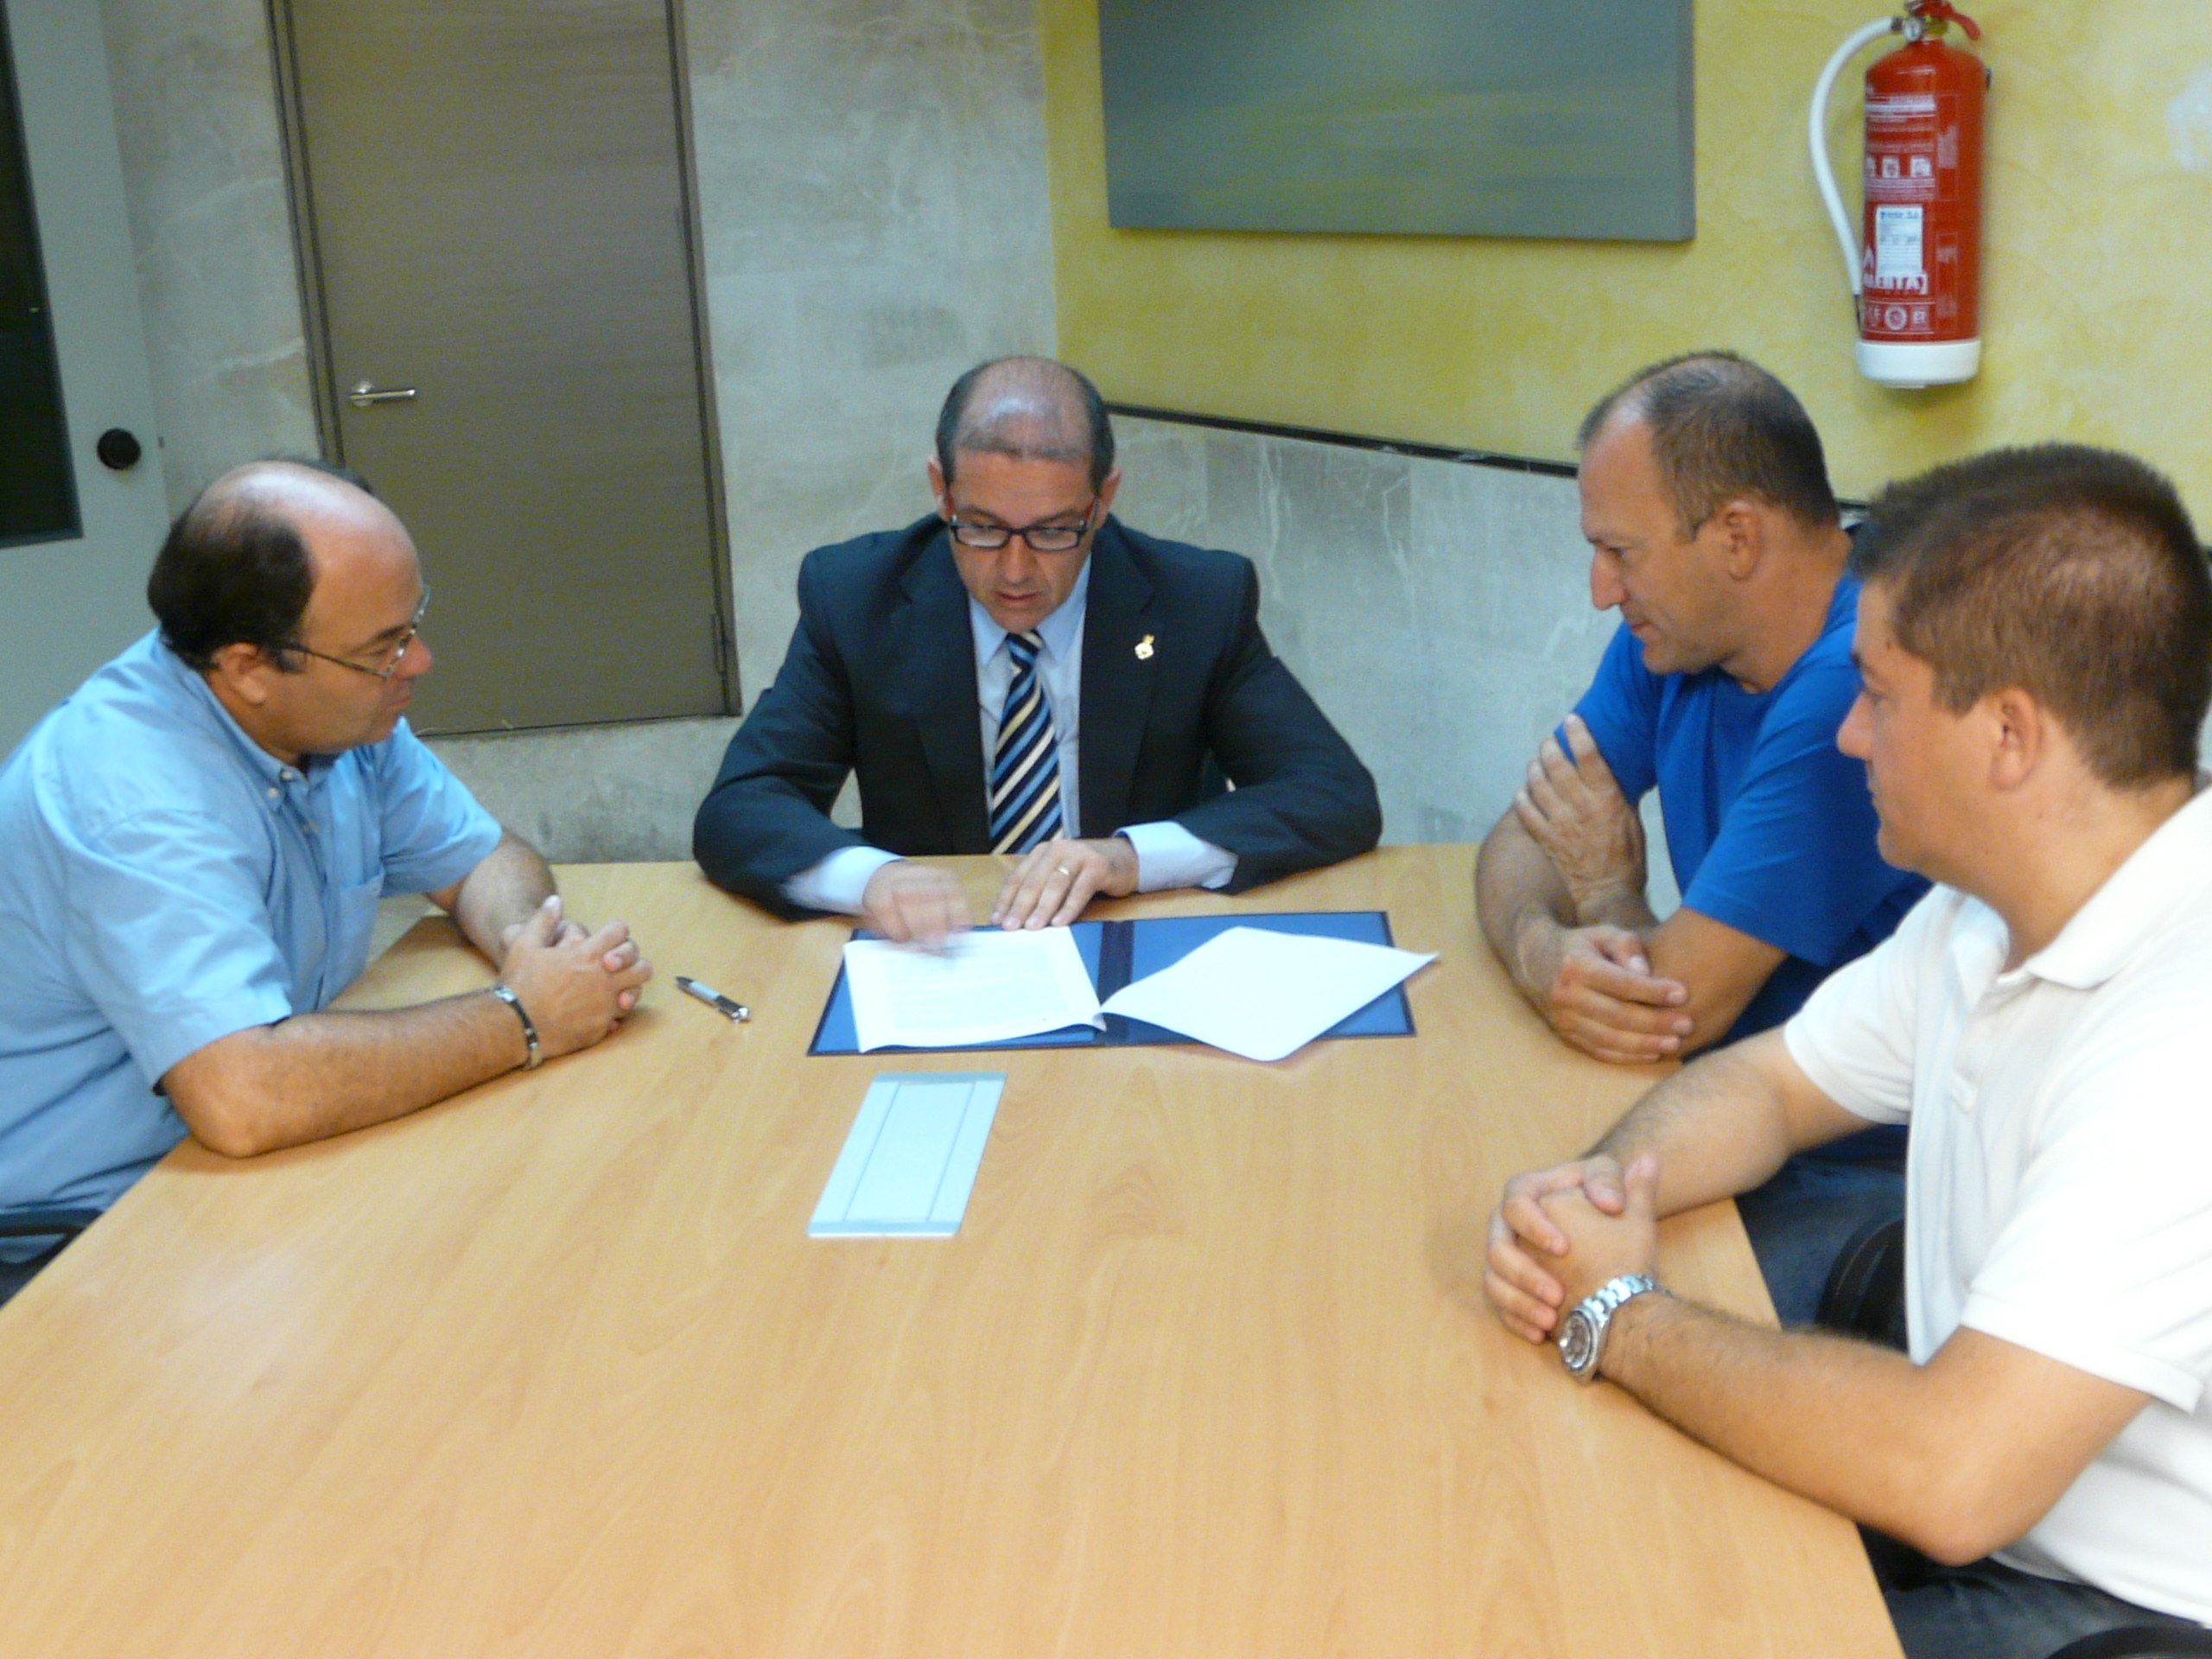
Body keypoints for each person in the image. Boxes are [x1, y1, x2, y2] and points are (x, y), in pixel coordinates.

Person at [1484, 443, 2212, 1659]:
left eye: (1877, 695)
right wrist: (1598, 1198)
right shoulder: (1988, 905)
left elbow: (1955, 1475)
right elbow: (1769, 1086)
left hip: (2129, 1608)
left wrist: (1615, 1309)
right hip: (1981, 1479)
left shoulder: (2179, 1042)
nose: (1849, 739)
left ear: (2011, 738)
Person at [0, 460, 652, 1301]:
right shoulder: (131, 793)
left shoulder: (334, 712)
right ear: (248, 667)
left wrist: (528, 940)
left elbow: (485, 857)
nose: (419, 660)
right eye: (384, 648)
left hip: (238, 1177)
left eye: (412, 623)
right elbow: (244, 1096)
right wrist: (523, 1016)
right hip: (76, 1237)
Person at [1474, 352, 1927, 1325]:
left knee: (1547, 1298)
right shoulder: (1674, 634)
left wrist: (1598, 903)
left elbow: (1670, 1012)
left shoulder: (1856, 693)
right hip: (1732, 1117)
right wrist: (1536, 948)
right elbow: (1519, 838)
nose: (1601, 589)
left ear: (1734, 537)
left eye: (1621, 552)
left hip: (1862, 1178)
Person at [694, 356, 1382, 943]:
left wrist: (1130, 858)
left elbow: (1332, 794)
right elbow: (743, 805)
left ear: (1103, 500)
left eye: (1055, 531)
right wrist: (870, 877)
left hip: (1130, 938)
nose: (1016, 571)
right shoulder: (858, 598)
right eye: (984, 528)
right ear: (941, 490)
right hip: (941, 951)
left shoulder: (1195, 601)